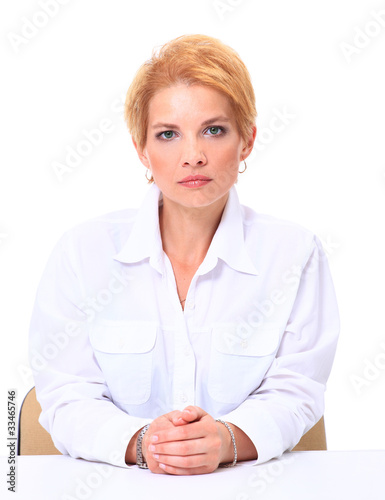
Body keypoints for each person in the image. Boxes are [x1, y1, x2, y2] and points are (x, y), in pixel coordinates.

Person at [29, 34, 339, 475]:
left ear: (247, 141)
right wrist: (144, 444)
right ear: (142, 149)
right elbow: (65, 393)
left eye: (214, 130)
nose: (193, 156)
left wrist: (226, 441)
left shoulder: (295, 253)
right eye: (168, 134)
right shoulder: (82, 253)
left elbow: (298, 388)